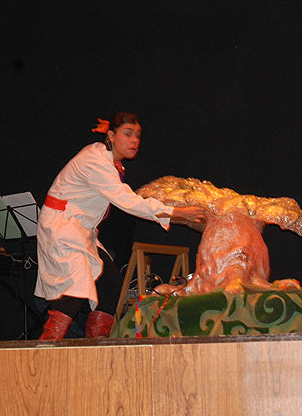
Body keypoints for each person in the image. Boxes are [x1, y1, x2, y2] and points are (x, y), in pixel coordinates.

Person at [34, 112, 206, 340]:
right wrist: (177, 213)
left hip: (80, 230)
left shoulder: (107, 158)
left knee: (111, 285)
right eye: (128, 134)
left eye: (137, 135)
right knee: (74, 291)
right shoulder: (95, 161)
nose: (135, 140)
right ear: (112, 136)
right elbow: (128, 201)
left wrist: (112, 131)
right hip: (62, 228)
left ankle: (97, 347)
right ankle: (46, 349)